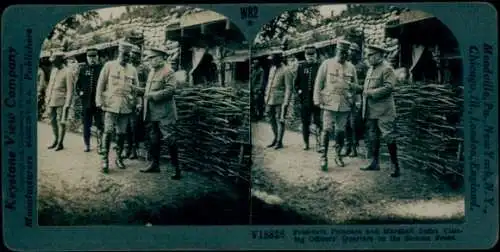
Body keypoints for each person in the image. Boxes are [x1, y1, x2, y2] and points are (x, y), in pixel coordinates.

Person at [313, 40, 359, 171]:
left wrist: (357, 101)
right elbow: (318, 82)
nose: (343, 55)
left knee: (340, 131)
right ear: (336, 51)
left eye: (345, 53)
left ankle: (338, 155)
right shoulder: (327, 64)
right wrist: (317, 99)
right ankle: (323, 157)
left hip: (344, 103)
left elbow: (355, 87)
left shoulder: (351, 67)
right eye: (341, 52)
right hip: (329, 102)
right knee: (326, 130)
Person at [96, 41, 140, 173]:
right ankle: (104, 159)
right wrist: (98, 100)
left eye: (128, 55)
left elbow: (136, 89)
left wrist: (138, 103)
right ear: (118, 53)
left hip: (125, 106)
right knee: (108, 131)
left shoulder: (132, 69)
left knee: (121, 134)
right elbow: (100, 84)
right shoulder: (109, 66)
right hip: (110, 105)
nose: (126, 58)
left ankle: (119, 157)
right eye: (123, 55)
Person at [137, 47, 181, 180]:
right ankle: (155, 165)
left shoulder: (169, 72)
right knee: (154, 139)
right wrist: (138, 90)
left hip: (165, 113)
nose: (150, 61)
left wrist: (151, 95)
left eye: (153, 58)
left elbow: (170, 90)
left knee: (170, 139)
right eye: (150, 58)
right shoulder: (151, 72)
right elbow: (148, 90)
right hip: (152, 113)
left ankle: (176, 168)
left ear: (161, 58)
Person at [359, 44, 401, 178]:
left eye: (370, 55)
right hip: (371, 111)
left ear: (378, 55)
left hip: (384, 111)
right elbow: (366, 87)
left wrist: (370, 93)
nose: (367, 57)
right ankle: (374, 162)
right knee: (373, 137)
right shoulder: (371, 69)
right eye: (367, 55)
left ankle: (395, 166)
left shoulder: (387, 68)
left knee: (388, 136)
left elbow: (389, 88)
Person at [75, 48, 104, 153]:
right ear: (87, 58)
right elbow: (78, 85)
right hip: (86, 103)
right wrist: (80, 93)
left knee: (99, 124)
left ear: (97, 57)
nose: (92, 59)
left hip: (98, 103)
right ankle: (87, 144)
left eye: (94, 57)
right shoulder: (83, 69)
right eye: (90, 57)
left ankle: (100, 145)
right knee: (86, 124)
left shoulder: (102, 69)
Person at [44, 52, 74, 151]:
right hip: (51, 100)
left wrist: (67, 104)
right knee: (52, 121)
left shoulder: (68, 72)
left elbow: (70, 90)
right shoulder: (54, 70)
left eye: (55, 61)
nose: (53, 63)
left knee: (61, 122)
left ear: (60, 61)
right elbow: (50, 85)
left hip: (61, 101)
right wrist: (47, 98)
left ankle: (60, 143)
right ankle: (56, 140)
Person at [294, 45, 322, 151]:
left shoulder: (320, 67)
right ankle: (306, 143)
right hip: (305, 100)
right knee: (305, 122)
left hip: (317, 100)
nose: (310, 57)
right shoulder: (301, 67)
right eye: (308, 55)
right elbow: (296, 84)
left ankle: (319, 143)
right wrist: (300, 92)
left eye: (312, 54)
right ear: (305, 56)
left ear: (316, 55)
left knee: (318, 122)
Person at [122, 45, 148, 160]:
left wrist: (139, 90)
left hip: (139, 99)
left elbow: (148, 85)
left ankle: (134, 150)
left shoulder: (144, 68)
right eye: (131, 56)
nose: (133, 58)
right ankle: (127, 148)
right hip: (128, 99)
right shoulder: (128, 68)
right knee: (126, 126)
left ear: (139, 56)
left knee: (135, 126)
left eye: (135, 56)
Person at [264, 52, 293, 150]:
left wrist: (286, 102)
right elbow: (269, 83)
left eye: (273, 59)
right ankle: (276, 138)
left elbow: (289, 88)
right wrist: (266, 97)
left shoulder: (286, 70)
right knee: (270, 119)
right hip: (269, 99)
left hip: (279, 100)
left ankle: (279, 141)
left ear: (278, 60)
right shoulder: (272, 69)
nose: (271, 61)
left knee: (279, 120)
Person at [343, 43, 364, 157]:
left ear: (357, 53)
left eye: (353, 51)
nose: (351, 53)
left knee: (354, 124)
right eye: (350, 51)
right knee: (345, 124)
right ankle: (347, 147)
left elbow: (366, 83)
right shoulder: (347, 66)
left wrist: (357, 87)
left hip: (357, 97)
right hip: (346, 97)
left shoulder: (362, 66)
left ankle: (355, 148)